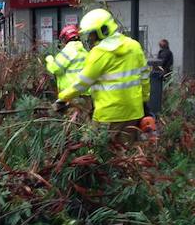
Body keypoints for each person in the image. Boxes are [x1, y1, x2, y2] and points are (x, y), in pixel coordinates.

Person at [54, 9, 148, 141]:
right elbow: (144, 78)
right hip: (134, 112)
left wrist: (63, 97)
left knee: (94, 150)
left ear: (102, 31)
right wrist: (143, 101)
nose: (90, 38)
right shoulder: (134, 46)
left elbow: (82, 83)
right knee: (126, 154)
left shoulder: (99, 53)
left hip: (108, 114)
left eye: (91, 34)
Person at [45, 24, 87, 94]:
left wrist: (49, 60)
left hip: (70, 93)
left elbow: (55, 69)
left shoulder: (67, 51)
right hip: (85, 93)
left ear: (65, 38)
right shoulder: (84, 51)